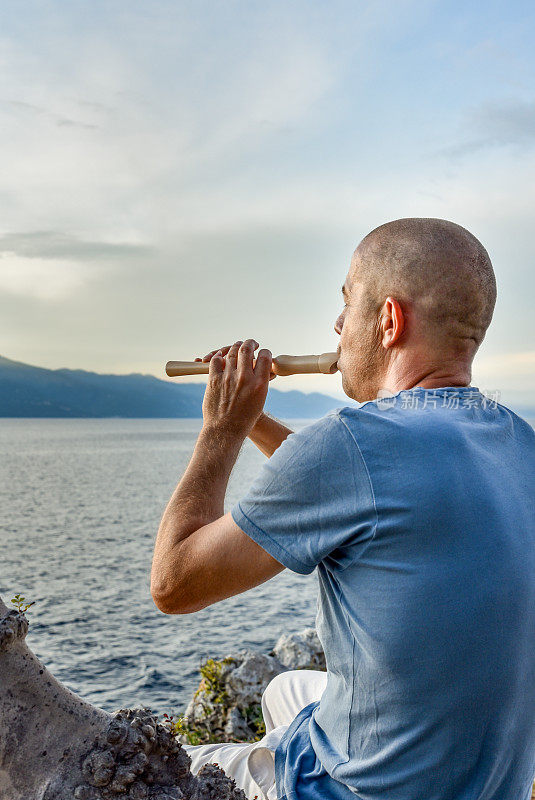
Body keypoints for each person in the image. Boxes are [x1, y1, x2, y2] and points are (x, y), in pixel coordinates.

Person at [150, 218, 535, 800]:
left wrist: (221, 430)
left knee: (150, 768)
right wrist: (253, 420)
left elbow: (174, 585)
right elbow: (359, 496)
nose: (336, 325)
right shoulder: (517, 442)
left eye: (347, 301)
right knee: (287, 690)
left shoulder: (355, 444)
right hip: (487, 785)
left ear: (388, 320)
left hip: (356, 791)